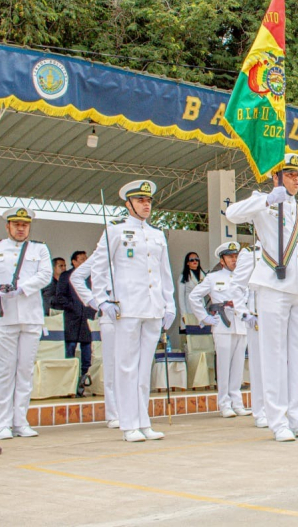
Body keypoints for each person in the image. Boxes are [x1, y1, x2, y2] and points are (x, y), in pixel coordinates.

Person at [225, 154, 298, 442]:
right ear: (276, 177)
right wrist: (269, 199)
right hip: (273, 288)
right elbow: (232, 214)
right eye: (290, 174)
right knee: (273, 354)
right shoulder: (263, 202)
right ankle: (278, 420)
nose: (296, 179)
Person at [84, 183, 176, 443]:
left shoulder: (157, 235)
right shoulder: (114, 231)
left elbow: (164, 273)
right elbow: (99, 268)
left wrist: (169, 305)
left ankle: (143, 421)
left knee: (145, 367)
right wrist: (102, 300)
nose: (146, 204)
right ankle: (128, 423)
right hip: (127, 307)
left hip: (153, 307)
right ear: (129, 204)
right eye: (140, 200)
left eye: (148, 200)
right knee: (126, 367)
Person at [0, 208, 52, 440]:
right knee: (5, 370)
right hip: (3, 316)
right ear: (7, 226)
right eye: (16, 224)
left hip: (31, 316)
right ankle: (2, 423)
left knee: (25, 370)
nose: (20, 228)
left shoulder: (39, 248)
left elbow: (45, 275)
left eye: (24, 224)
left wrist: (21, 288)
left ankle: (20, 421)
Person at [188, 241, 250, 418]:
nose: (234, 260)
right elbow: (194, 296)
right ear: (222, 260)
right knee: (223, 366)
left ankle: (237, 402)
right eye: (230, 257)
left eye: (236, 256)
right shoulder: (213, 278)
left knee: (238, 366)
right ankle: (224, 403)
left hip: (240, 324)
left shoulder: (243, 277)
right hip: (222, 324)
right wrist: (204, 317)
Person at [70, 248, 118, 429]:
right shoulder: (102, 254)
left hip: (134, 310)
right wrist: (95, 302)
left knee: (130, 363)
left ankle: (131, 410)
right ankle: (113, 413)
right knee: (112, 364)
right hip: (110, 310)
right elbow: (77, 278)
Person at [229, 242, 266, 428]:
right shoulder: (251, 253)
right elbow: (236, 286)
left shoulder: (284, 249)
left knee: (281, 363)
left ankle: (279, 409)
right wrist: (244, 312)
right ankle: (261, 411)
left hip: (280, 314)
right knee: (259, 366)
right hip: (258, 314)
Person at [52, 250, 96, 395]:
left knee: (87, 352)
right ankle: (69, 384)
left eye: (86, 259)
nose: (84, 261)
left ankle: (83, 380)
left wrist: (90, 310)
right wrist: (72, 306)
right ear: (74, 262)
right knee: (70, 349)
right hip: (71, 318)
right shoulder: (66, 276)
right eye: (81, 259)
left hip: (86, 319)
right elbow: (60, 296)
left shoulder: (90, 277)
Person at [178, 252, 204, 327]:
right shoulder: (183, 276)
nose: (195, 261)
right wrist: (183, 314)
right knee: (191, 333)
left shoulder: (203, 275)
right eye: (192, 260)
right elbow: (181, 297)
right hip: (189, 308)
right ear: (187, 263)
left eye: (197, 259)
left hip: (201, 308)